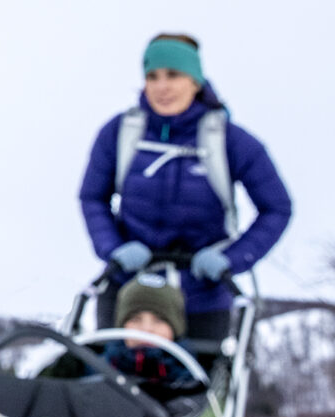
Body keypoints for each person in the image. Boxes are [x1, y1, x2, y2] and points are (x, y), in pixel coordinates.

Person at [79, 34, 292, 343]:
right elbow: (92, 197)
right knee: (109, 384)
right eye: (153, 76)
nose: (162, 86)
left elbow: (277, 208)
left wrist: (232, 258)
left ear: (195, 81)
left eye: (173, 75)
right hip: (128, 292)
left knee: (196, 385)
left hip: (201, 297)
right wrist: (113, 249)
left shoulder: (229, 141)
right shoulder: (120, 133)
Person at [101, 276, 199, 396]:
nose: (146, 329)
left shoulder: (191, 376)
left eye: (158, 320)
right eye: (136, 319)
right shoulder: (99, 368)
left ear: (175, 328)